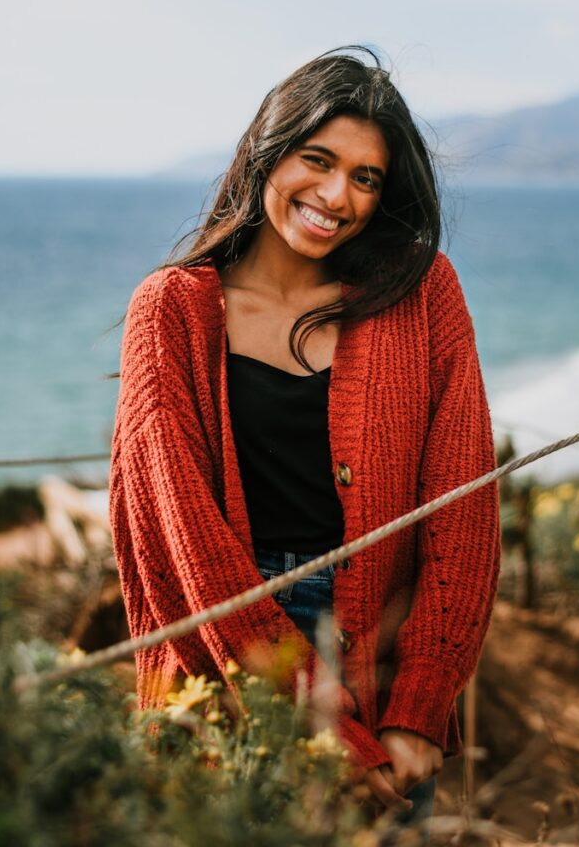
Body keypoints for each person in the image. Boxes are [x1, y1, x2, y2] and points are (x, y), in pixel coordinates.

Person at [109, 47, 501, 832]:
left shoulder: (420, 292)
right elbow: (183, 547)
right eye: (316, 160)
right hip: (220, 652)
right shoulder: (170, 311)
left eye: (366, 178)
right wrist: (317, 732)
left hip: (379, 659)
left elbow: (463, 507)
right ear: (266, 151)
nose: (336, 195)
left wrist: (420, 702)